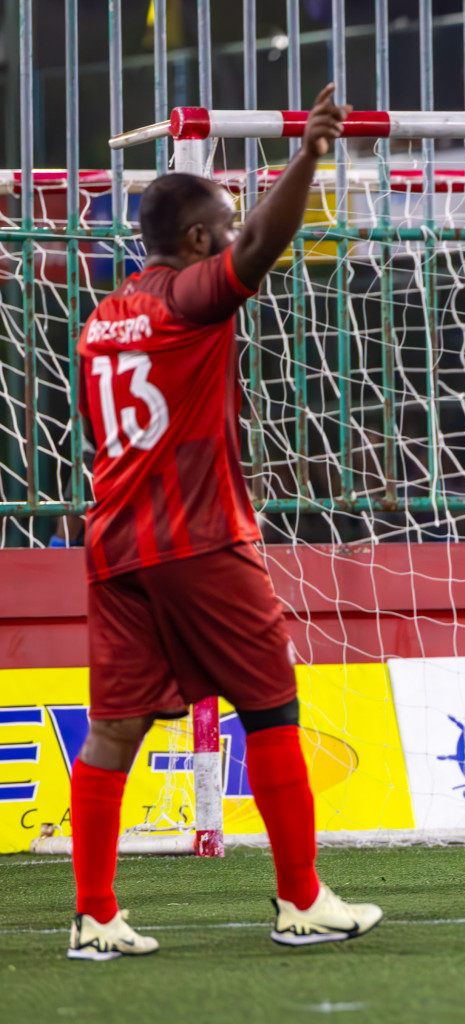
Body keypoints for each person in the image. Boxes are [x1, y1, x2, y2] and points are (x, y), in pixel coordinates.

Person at [68, 84, 381, 961]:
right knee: (272, 709)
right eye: (223, 217)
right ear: (199, 239)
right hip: (200, 539)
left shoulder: (102, 320)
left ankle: (95, 917)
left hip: (114, 544)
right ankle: (301, 899)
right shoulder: (189, 299)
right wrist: (311, 155)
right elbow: (258, 247)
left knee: (114, 729)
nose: (234, 225)